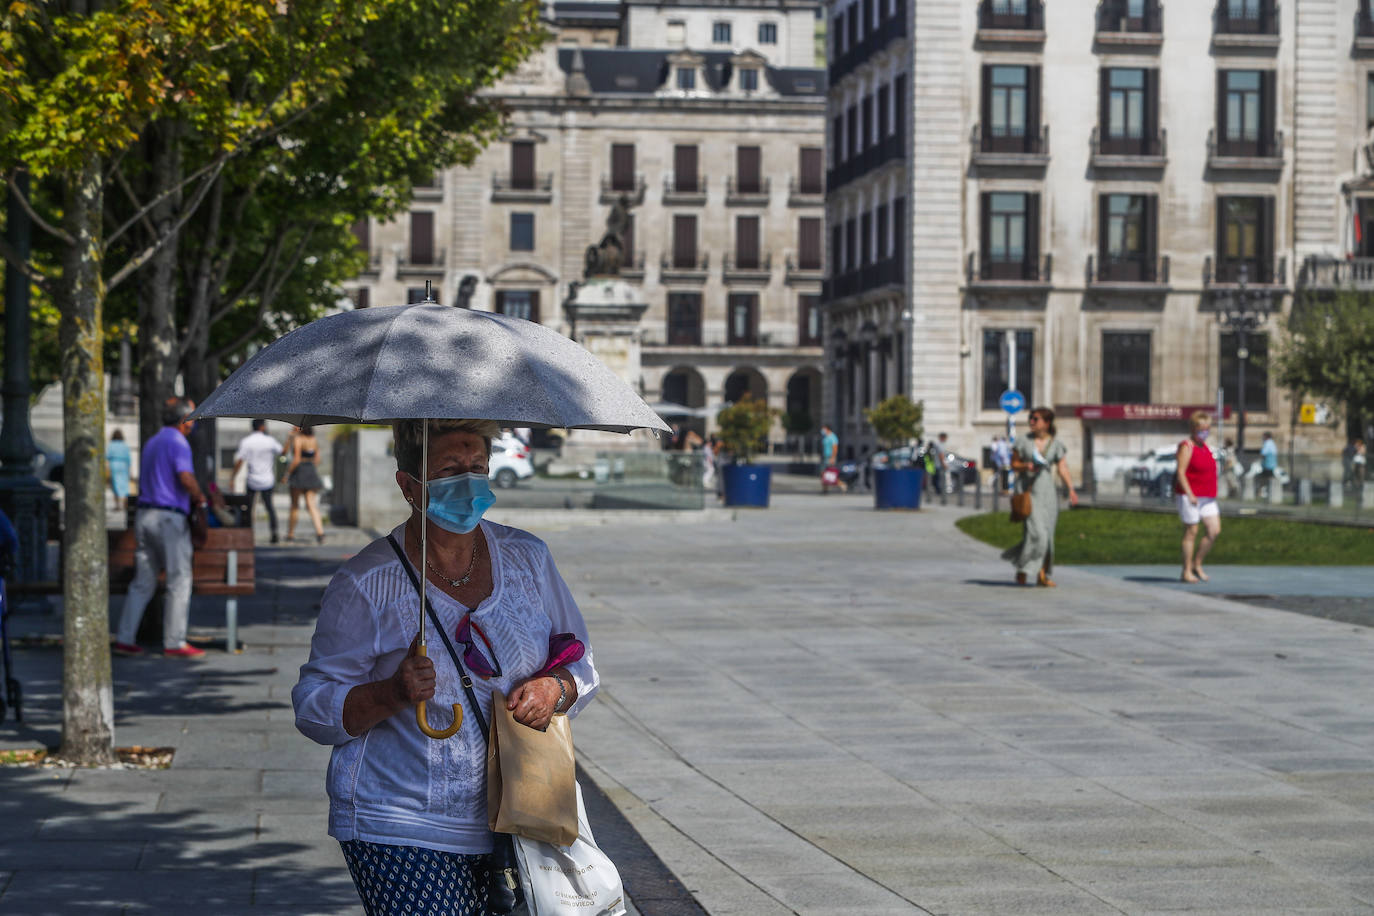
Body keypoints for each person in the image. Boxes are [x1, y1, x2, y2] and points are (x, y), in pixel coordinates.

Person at [292, 419, 599, 914]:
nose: (468, 482)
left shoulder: (528, 557)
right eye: (450, 470)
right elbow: (313, 708)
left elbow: (580, 661)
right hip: (399, 821)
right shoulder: (367, 581)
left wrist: (555, 689)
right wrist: (391, 693)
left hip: (518, 812)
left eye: (477, 467)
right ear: (409, 485)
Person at [113, 398, 209, 658]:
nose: (192, 425)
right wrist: (199, 496)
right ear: (182, 421)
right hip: (169, 518)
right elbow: (185, 476)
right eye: (190, 420)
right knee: (179, 580)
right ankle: (174, 642)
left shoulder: (153, 441)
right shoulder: (178, 443)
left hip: (145, 516)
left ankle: (125, 637)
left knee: (142, 582)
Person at [1003, 407, 1078, 587]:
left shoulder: (1056, 445)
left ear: (1047, 423)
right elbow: (1013, 464)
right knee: (1037, 534)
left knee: (1048, 535)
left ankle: (1042, 574)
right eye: (1030, 418)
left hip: (1047, 493)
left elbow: (1062, 467)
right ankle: (1025, 569)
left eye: (1035, 419)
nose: (1031, 422)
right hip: (1029, 492)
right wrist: (1025, 466)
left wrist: (1071, 489)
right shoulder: (1023, 441)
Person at [1176, 411, 1221, 584]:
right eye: (1201, 429)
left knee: (1213, 530)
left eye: (1207, 429)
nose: (1205, 432)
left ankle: (1197, 563)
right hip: (1191, 496)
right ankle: (1186, 570)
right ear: (1194, 428)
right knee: (1191, 531)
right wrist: (1189, 493)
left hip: (1207, 496)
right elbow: (1181, 471)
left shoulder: (1206, 447)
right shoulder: (1187, 446)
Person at [233, 419, 283, 544]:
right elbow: (283, 452)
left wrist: (233, 476)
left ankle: (248, 533)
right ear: (262, 427)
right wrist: (290, 438)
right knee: (269, 507)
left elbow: (240, 461)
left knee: (249, 508)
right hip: (267, 480)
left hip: (252, 479)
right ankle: (274, 531)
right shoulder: (269, 441)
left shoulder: (247, 442)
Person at [284, 424, 326, 544]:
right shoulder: (313, 439)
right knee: (311, 505)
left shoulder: (298, 439)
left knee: (294, 506)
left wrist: (287, 474)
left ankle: (290, 534)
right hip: (311, 470)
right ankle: (320, 533)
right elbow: (317, 458)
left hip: (299, 472)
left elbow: (296, 458)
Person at [106, 429, 131, 513]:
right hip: (123, 465)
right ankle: (125, 504)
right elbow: (128, 458)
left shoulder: (111, 445)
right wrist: (130, 469)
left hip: (114, 464)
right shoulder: (124, 445)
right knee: (124, 484)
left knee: (115, 484)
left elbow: (107, 456)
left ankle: (117, 505)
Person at [819, 423, 846, 493]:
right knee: (823, 473)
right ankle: (825, 489)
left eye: (824, 428)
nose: (822, 430)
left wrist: (833, 457)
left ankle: (842, 484)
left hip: (830, 457)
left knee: (830, 473)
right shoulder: (825, 437)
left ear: (827, 429)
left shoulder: (833, 437)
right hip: (824, 457)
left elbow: (835, 448)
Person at [1258, 432, 1279, 498]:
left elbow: (1263, 453)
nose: (1262, 438)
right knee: (1268, 478)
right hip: (1272, 464)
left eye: (1263, 436)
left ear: (1266, 437)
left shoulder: (1268, 443)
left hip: (1268, 464)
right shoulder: (1272, 443)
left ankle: (1264, 493)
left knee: (1264, 479)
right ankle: (1269, 492)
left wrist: (1260, 459)